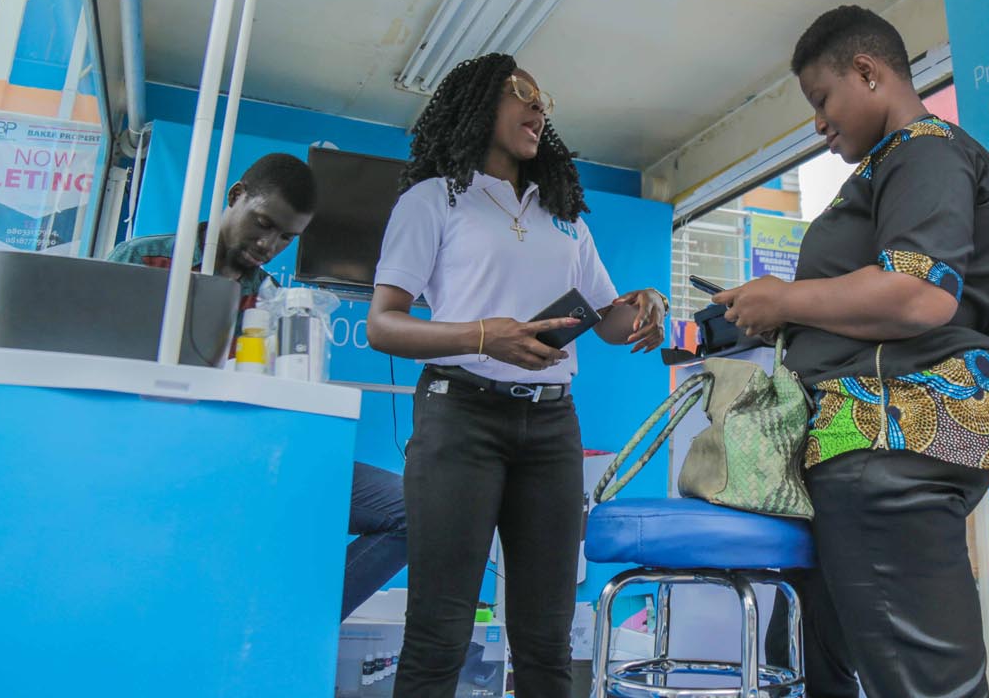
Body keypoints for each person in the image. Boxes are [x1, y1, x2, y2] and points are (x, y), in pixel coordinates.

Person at [717, 6, 989, 698]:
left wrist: (786, 300)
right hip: (863, 442)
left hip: (889, 440)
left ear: (867, 72)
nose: (819, 123)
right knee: (813, 663)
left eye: (821, 99)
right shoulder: (892, 166)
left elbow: (919, 294)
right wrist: (778, 318)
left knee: (925, 685)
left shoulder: (926, 151)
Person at [365, 53, 666, 698]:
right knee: (439, 635)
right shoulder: (434, 199)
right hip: (459, 419)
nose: (538, 108)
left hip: (552, 426)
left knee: (547, 643)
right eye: (522, 92)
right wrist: (484, 335)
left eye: (543, 100)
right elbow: (383, 325)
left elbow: (607, 320)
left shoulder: (564, 215)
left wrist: (642, 304)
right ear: (480, 104)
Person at [108, 152, 409, 620]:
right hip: (150, 453)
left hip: (247, 454)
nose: (269, 245)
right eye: (263, 223)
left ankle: (298, 628)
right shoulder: (145, 261)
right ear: (236, 196)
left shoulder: (276, 302)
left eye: (287, 237)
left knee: (411, 509)